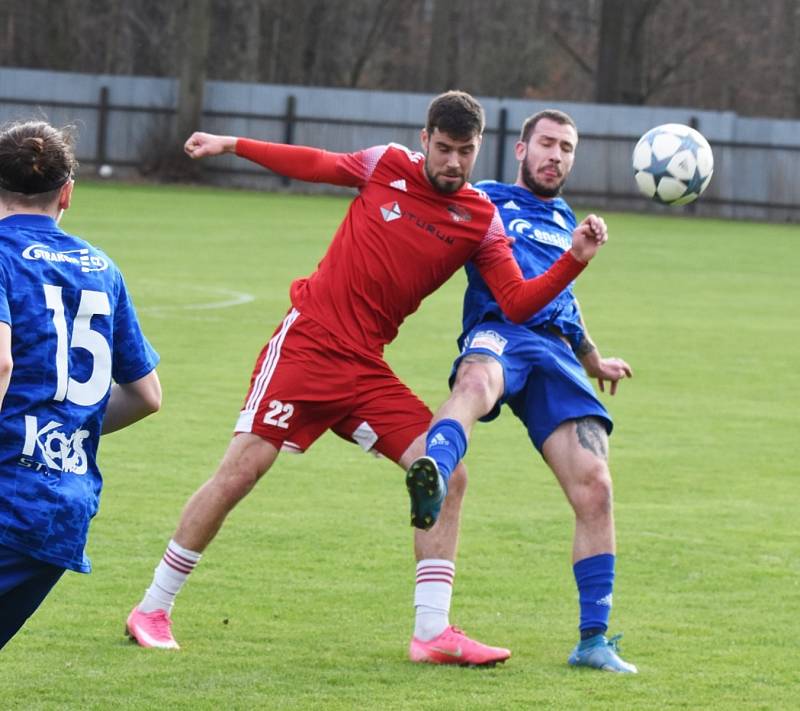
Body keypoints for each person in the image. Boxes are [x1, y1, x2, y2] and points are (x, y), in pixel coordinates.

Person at [124, 91, 607, 665]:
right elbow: (313, 162)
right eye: (445, 149)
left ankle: (431, 632)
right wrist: (232, 144)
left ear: (480, 149)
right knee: (243, 469)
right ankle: (152, 607)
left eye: (466, 152)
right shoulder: (387, 166)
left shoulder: (480, 219)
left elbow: (517, 302)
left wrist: (572, 259)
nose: (454, 163)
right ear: (425, 140)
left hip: (364, 369)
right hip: (306, 346)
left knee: (446, 472)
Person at [406, 109, 637, 673]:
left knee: (596, 487)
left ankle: (593, 640)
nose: (556, 156)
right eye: (547, 144)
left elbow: (567, 304)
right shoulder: (484, 199)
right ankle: (432, 470)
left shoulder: (564, 220)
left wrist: (594, 358)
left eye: (566, 148)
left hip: (555, 352)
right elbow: (424, 201)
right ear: (520, 150)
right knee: (476, 378)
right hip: (500, 331)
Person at [0, 120, 161, 649]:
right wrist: (64, 428)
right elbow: (145, 395)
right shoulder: (101, 269)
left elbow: (0, 365)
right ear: (67, 192)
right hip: (58, 512)